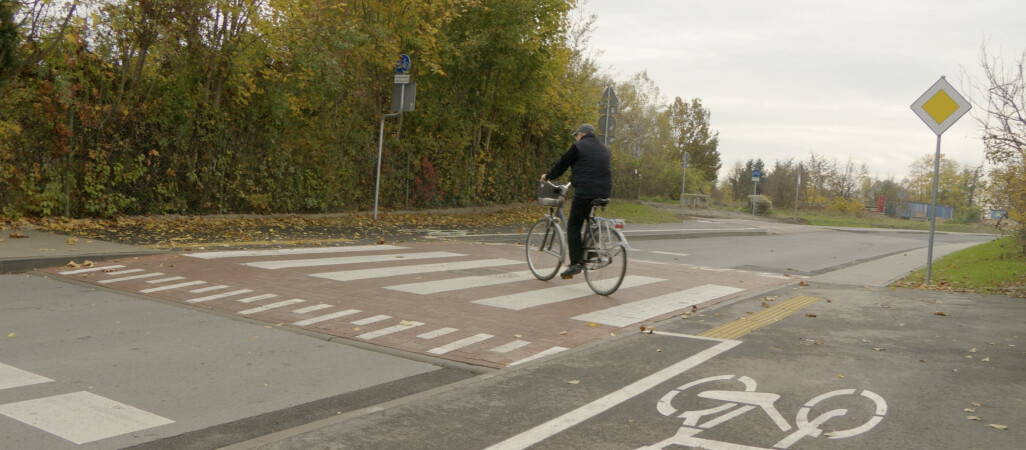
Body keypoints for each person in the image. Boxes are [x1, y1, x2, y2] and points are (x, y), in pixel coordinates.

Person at [540, 123, 613, 278]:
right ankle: (590, 250)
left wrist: (548, 176)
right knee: (589, 219)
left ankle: (575, 264)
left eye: (577, 135)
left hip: (586, 191)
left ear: (581, 134)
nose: (577, 138)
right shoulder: (604, 149)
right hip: (605, 191)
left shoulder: (578, 147)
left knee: (574, 225)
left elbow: (563, 164)